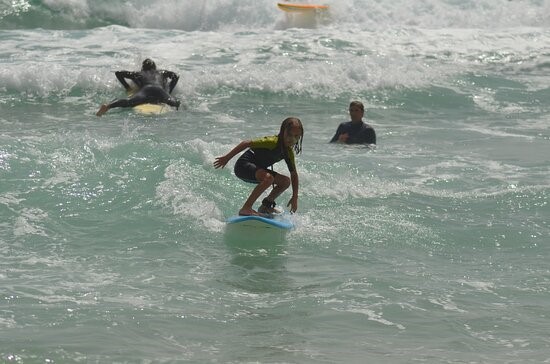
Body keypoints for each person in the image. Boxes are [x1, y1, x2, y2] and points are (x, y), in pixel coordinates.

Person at [213, 117, 304, 216]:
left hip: (258, 169)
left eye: (296, 136)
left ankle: (266, 206)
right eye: (289, 135)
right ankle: (246, 208)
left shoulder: (288, 152)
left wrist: (295, 197)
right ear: (282, 132)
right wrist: (226, 158)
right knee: (268, 178)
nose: (292, 139)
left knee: (285, 181)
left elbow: (294, 174)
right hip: (243, 166)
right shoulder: (272, 142)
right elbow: (246, 143)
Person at [96, 58, 180, 116]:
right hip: (160, 91)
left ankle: (108, 106)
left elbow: (118, 73)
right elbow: (175, 76)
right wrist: (169, 91)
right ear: (155, 67)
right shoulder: (161, 72)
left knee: (129, 102)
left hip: (146, 90)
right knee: (175, 103)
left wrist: (127, 87)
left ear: (142, 68)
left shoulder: (138, 74)